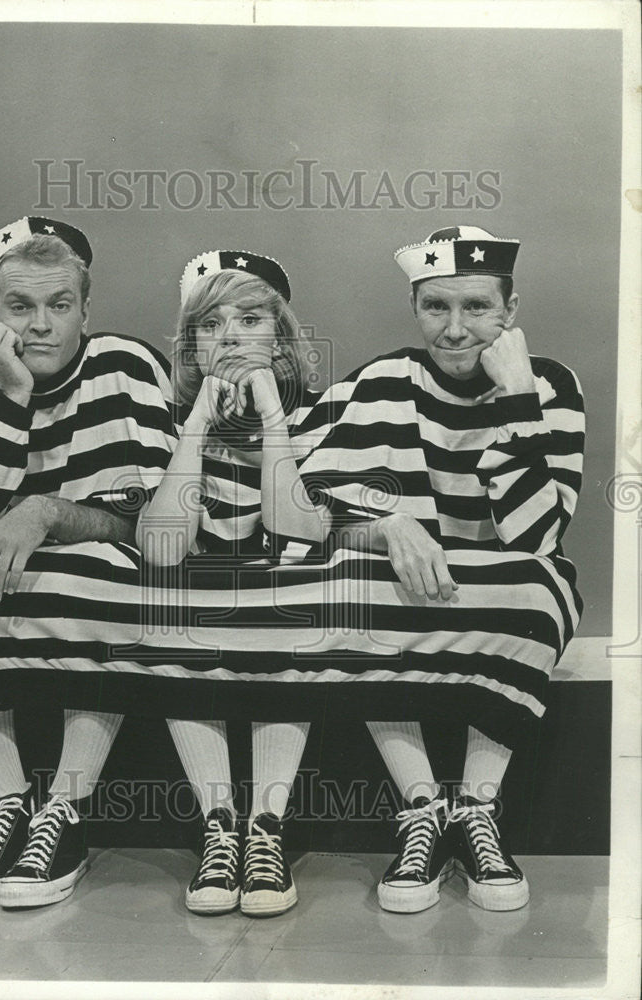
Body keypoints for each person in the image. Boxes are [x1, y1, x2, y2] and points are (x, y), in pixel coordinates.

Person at [0, 216, 177, 908]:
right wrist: (11, 399)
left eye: (59, 305)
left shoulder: (125, 363)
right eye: (19, 307)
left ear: (85, 310)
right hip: (21, 582)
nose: (40, 325)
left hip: (106, 575)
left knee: (102, 564)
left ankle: (64, 810)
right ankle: (6, 805)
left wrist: (46, 511)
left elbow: (153, 520)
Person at [320, 226, 584, 913]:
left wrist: (517, 401)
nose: (456, 328)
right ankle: (421, 810)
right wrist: (385, 524)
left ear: (509, 310)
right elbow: (300, 501)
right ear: (415, 310)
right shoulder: (382, 381)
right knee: (351, 588)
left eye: (476, 308)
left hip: (498, 585)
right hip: (405, 588)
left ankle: (476, 811)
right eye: (436, 308)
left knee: (535, 586)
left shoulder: (549, 384)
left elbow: (536, 533)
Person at [135, 251, 330, 917]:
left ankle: (265, 826)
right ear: (190, 345)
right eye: (210, 325)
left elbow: (301, 532)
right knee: (168, 595)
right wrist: (195, 429)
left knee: (295, 590)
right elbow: (162, 546)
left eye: (250, 319)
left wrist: (272, 416)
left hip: (289, 608)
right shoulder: (166, 422)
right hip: (197, 604)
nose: (231, 337)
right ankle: (219, 825)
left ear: (280, 337)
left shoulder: (322, 418)